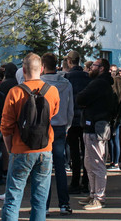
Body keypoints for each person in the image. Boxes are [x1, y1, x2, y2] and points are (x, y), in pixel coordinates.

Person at [0, 53, 60, 221]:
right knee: (40, 201)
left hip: (20, 149)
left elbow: (6, 126)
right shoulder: (52, 91)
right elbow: (53, 114)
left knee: (13, 199)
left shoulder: (15, 92)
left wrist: (10, 148)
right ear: (41, 69)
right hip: (45, 148)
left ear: (23, 70)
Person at [76, 56, 119, 210]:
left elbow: (81, 97)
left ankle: (99, 197)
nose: (90, 68)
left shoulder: (99, 83)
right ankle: (93, 194)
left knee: (96, 163)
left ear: (101, 68)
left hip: (96, 126)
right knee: (89, 162)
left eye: (94, 65)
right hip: (93, 126)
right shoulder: (102, 83)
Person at [40, 52, 74, 216]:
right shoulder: (66, 83)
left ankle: (44, 206)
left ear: (43, 66)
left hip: (44, 128)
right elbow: (70, 109)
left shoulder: (39, 84)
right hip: (60, 127)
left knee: (44, 167)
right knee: (60, 167)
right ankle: (64, 203)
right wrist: (67, 126)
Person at [62, 52, 91, 195]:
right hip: (85, 119)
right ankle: (86, 182)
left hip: (72, 119)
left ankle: (75, 182)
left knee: (74, 152)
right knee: (86, 151)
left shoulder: (67, 78)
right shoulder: (87, 77)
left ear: (69, 61)